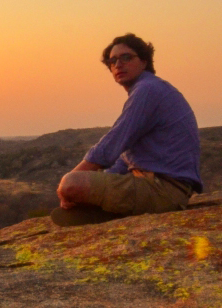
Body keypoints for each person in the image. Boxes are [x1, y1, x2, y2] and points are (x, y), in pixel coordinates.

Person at [53, 33, 201, 226]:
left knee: (72, 183)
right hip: (157, 186)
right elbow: (126, 157)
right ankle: (112, 212)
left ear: (144, 61)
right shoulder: (150, 89)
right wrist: (102, 180)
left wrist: (68, 184)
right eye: (112, 61)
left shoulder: (148, 90)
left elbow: (111, 145)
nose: (118, 64)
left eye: (126, 57)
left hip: (162, 191)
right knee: (86, 183)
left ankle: (110, 213)